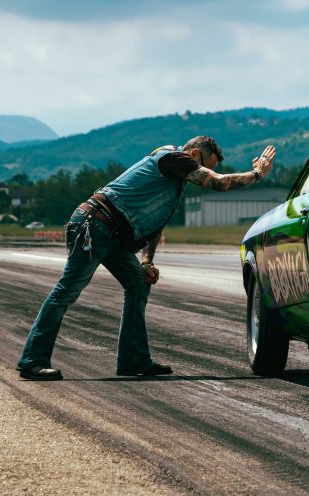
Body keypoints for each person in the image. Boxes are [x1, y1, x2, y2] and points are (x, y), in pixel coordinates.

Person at [16, 136, 276, 381]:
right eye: (206, 166)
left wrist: (146, 262)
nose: (204, 174)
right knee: (67, 290)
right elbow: (218, 182)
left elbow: (155, 223)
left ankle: (133, 360)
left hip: (110, 232)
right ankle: (32, 361)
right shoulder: (175, 157)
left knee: (139, 283)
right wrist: (257, 175)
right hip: (94, 225)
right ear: (195, 154)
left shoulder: (172, 179)